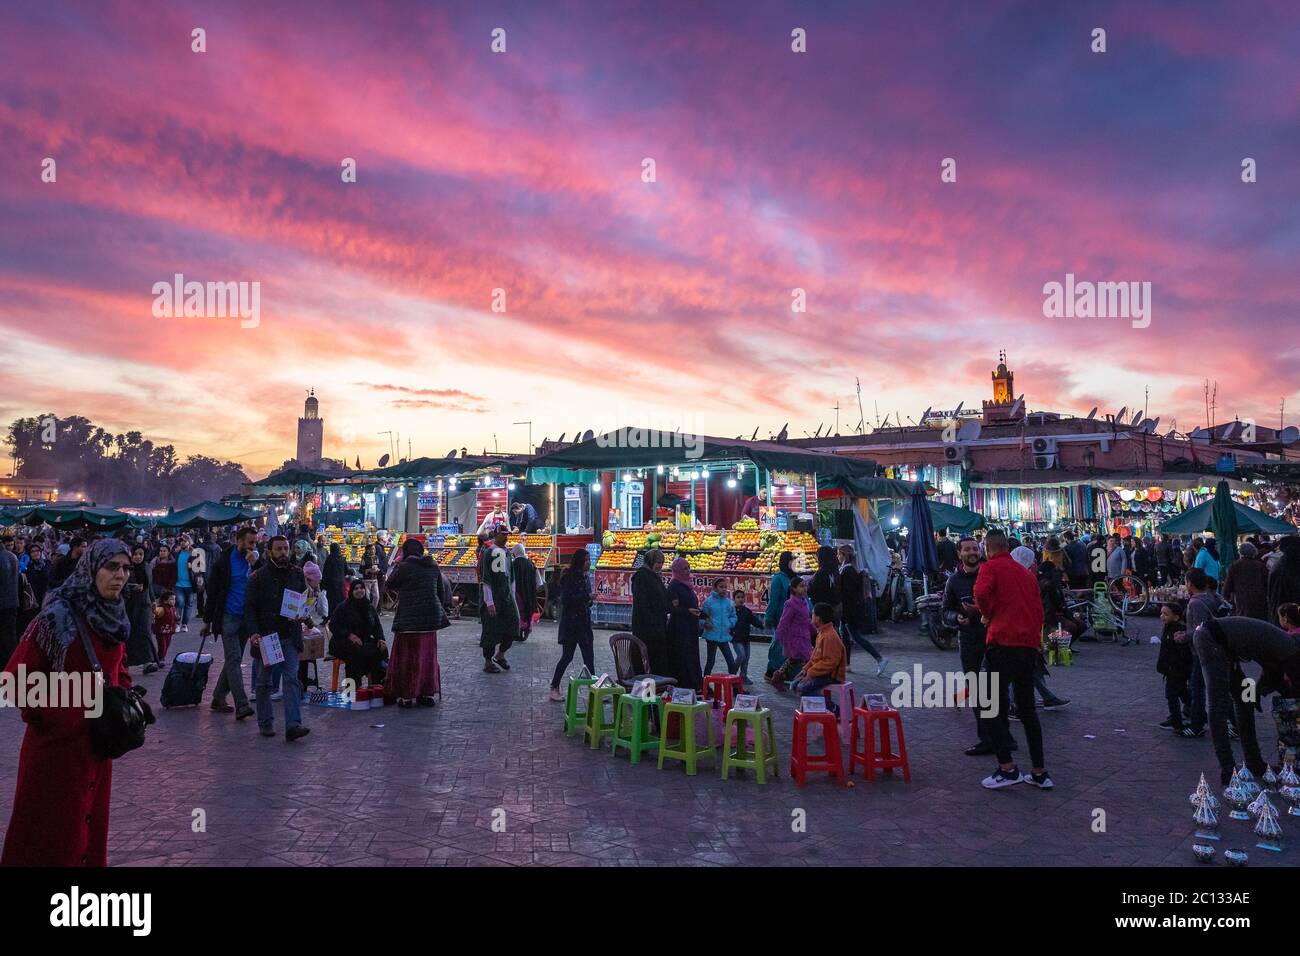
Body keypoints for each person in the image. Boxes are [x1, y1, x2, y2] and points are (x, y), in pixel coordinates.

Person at [1, 540, 155, 866]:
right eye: (111, 567)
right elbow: (14, 682)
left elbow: (118, 667)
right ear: (91, 569)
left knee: (86, 836)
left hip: (98, 748)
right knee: (50, 840)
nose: (121, 575)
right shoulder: (55, 619)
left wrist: (126, 700)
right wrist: (75, 710)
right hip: (56, 752)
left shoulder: (113, 617)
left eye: (125, 568)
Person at [974, 529, 1052, 790]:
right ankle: (1039, 771)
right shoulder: (1026, 574)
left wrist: (987, 614)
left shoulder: (991, 567)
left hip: (1003, 643)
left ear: (987, 547)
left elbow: (981, 594)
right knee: (1027, 709)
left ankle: (1007, 768)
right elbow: (1039, 611)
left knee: (989, 705)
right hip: (1027, 647)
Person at [1192, 615, 1300, 784]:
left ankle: (1254, 762)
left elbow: (1271, 673)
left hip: (1226, 647)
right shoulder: (1290, 651)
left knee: (1245, 699)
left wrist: (1256, 692)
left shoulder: (1285, 647)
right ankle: (1228, 769)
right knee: (1218, 704)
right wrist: (1262, 691)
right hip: (1212, 640)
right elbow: (1280, 679)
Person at [244, 535, 311, 741]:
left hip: (290, 634)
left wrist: (304, 613)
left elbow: (304, 598)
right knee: (265, 682)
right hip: (268, 637)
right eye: (279, 549)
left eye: (285, 548)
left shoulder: (297, 573)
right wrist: (254, 631)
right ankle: (265, 722)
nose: (283, 552)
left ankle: (293, 725)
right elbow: (250, 607)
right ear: (269, 551)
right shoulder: (258, 577)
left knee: (291, 680)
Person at [943, 537, 1001, 756]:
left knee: (996, 690)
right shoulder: (954, 581)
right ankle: (987, 738)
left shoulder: (991, 574)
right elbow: (945, 611)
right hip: (968, 641)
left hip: (994, 639)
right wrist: (957, 617)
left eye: (975, 549)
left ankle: (1001, 737)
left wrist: (983, 610)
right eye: (967, 549)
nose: (972, 552)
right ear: (959, 554)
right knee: (978, 691)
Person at [385, 537, 449, 707]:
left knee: (408, 658)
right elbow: (441, 593)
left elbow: (389, 583)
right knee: (427, 657)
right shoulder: (433, 565)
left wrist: (398, 564)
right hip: (430, 619)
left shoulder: (405, 567)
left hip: (409, 621)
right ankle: (426, 693)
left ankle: (407, 695)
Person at [204, 526, 256, 720]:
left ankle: (218, 697)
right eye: (250, 542)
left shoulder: (255, 562)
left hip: (246, 618)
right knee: (234, 660)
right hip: (228, 617)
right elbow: (214, 592)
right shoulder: (224, 562)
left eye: (255, 543)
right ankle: (241, 704)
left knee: (233, 660)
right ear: (238, 541)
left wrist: (256, 565)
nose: (252, 546)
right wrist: (207, 621)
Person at [549, 549, 595, 700]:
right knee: (567, 657)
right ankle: (554, 687)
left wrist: (589, 600)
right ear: (580, 561)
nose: (589, 563)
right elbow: (567, 600)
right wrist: (586, 597)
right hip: (571, 624)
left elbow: (586, 600)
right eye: (587, 560)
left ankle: (593, 688)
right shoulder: (569, 578)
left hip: (584, 623)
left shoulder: (585, 577)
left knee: (589, 657)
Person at [327, 578, 387, 687]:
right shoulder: (343, 607)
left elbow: (377, 626)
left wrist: (381, 639)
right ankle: (352, 689)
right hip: (342, 641)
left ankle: (377, 685)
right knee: (356, 653)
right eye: (356, 589)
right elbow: (333, 626)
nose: (359, 591)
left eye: (362, 588)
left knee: (381, 649)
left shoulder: (368, 607)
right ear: (351, 591)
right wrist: (349, 635)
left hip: (363, 640)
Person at [837, 544, 887, 676]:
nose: (837, 556)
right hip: (850, 610)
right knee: (845, 636)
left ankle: (880, 659)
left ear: (844, 556)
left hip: (850, 611)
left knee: (856, 637)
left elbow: (848, 593)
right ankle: (846, 664)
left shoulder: (848, 571)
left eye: (839, 554)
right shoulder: (848, 569)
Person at [479, 527, 520, 673]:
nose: (506, 537)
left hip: (507, 597)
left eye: (507, 535)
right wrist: (489, 602)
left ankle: (500, 654)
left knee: (514, 625)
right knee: (490, 630)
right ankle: (488, 662)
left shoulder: (508, 553)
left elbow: (512, 577)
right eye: (503, 535)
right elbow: (486, 579)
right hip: (493, 597)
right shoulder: (489, 552)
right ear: (496, 535)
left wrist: (512, 596)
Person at [790, 602, 847, 701]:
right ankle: (815, 710)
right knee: (794, 685)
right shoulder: (821, 633)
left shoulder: (830, 636)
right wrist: (805, 670)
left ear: (818, 618)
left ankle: (833, 710)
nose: (811, 616)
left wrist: (811, 673)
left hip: (831, 675)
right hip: (821, 672)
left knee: (802, 688)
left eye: (813, 614)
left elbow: (830, 663)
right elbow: (814, 658)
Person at [1155, 601, 1195, 734]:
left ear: (1176, 617)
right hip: (1172, 669)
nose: (1162, 616)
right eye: (1161, 613)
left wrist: (1175, 667)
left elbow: (1182, 654)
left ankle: (1177, 720)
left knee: (1172, 694)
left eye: (1165, 614)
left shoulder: (1178, 631)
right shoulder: (1168, 628)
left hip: (1177, 670)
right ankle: (1194, 713)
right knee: (1182, 693)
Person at [770, 576, 814, 693]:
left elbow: (807, 619)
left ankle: (778, 677)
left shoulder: (804, 602)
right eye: (801, 586)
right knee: (805, 661)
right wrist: (778, 636)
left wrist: (815, 629)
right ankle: (804, 685)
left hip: (804, 637)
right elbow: (784, 621)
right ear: (793, 589)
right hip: (794, 639)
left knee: (794, 661)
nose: (804, 588)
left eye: (805, 585)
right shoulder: (790, 603)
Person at [665, 556, 703, 692]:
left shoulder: (687, 584)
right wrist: (687, 611)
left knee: (692, 655)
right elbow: (671, 608)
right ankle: (686, 685)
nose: (687, 571)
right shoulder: (674, 585)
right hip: (680, 628)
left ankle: (696, 684)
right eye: (684, 568)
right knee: (683, 656)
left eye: (688, 568)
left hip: (690, 626)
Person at [630, 548, 670, 676]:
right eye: (658, 562)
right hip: (647, 627)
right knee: (648, 657)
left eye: (662, 563)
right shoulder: (642, 577)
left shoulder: (652, 576)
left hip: (656, 625)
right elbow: (643, 603)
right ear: (650, 561)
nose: (660, 566)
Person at [763, 551, 799, 680]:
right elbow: (774, 600)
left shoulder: (794, 577)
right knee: (779, 645)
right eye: (791, 560)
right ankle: (772, 670)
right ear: (785, 562)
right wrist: (769, 617)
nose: (794, 563)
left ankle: (786, 672)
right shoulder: (778, 578)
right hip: (782, 616)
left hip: (795, 618)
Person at [122, 545, 158, 673]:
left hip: (144, 604)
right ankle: (125, 662)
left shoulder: (147, 567)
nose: (138, 557)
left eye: (141, 554)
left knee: (145, 632)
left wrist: (153, 600)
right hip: (129, 605)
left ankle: (148, 662)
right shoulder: (124, 568)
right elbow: (120, 586)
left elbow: (149, 586)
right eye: (135, 554)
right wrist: (132, 588)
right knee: (129, 634)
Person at [1223, 541, 1270, 621]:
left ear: (1240, 552)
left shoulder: (1235, 566)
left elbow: (1228, 585)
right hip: (1259, 600)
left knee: (1244, 623)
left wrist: (1225, 596)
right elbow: (1267, 584)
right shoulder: (1260, 566)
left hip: (1242, 600)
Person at [700, 578, 738, 676]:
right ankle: (705, 683)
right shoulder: (708, 602)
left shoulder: (729, 603)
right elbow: (702, 616)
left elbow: (733, 616)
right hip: (712, 635)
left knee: (731, 662)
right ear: (715, 588)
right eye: (721, 587)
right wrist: (705, 623)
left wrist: (730, 623)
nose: (724, 589)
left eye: (725, 587)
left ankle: (733, 685)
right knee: (710, 661)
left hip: (724, 636)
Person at [730, 589, 760, 687]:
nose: (740, 599)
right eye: (738, 597)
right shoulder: (732, 611)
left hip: (746, 639)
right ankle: (732, 674)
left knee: (746, 659)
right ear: (733, 599)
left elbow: (754, 621)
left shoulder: (747, 611)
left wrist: (762, 625)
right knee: (741, 656)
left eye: (742, 597)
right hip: (736, 639)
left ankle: (743, 676)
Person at [1267, 536, 1300, 625]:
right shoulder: (1286, 567)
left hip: (1286, 618)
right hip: (1288, 620)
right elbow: (1278, 598)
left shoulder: (1285, 565)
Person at [511, 543, 538, 642]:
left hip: (517, 593)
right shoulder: (531, 564)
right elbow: (539, 582)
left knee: (518, 612)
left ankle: (517, 631)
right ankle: (526, 630)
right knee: (527, 611)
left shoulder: (512, 564)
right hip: (530, 593)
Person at [0, 540, 18, 664]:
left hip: (2, 603)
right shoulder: (12, 556)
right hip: (12, 602)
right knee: (10, 635)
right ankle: (11, 663)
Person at [174, 535, 195, 633]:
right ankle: (177, 623)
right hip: (178, 584)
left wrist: (192, 567)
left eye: (184, 541)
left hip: (190, 584)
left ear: (189, 542)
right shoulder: (177, 553)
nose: (182, 542)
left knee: (188, 604)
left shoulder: (194, 553)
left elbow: (201, 567)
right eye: (181, 541)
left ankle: (184, 624)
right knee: (179, 603)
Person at [151, 590, 178, 663]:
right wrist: (154, 607)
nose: (174, 601)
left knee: (167, 645)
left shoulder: (172, 608)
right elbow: (156, 611)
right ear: (165, 601)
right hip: (161, 631)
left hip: (169, 631)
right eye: (172, 599)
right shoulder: (162, 608)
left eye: (174, 599)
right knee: (162, 646)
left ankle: (161, 658)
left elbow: (175, 617)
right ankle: (159, 659)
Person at [323, 543, 347, 614]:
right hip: (341, 584)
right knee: (340, 602)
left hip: (331, 585)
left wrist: (323, 585)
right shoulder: (343, 559)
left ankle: (330, 618)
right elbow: (346, 570)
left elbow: (326, 573)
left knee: (331, 602)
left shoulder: (329, 559)